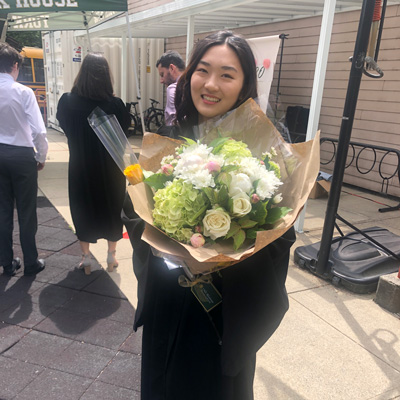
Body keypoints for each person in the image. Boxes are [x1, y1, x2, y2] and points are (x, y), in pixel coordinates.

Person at [122, 31, 296, 400]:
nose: (211, 84)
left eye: (227, 74)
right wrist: (157, 243)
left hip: (223, 308)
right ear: (189, 76)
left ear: (246, 82)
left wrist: (220, 262)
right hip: (169, 294)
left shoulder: (266, 147)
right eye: (202, 71)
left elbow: (282, 235)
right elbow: (135, 210)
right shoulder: (173, 135)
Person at [56, 53, 131, 275]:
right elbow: (123, 135)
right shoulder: (116, 104)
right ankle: (111, 255)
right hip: (111, 168)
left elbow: (65, 127)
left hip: (81, 167)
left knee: (82, 207)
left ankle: (86, 258)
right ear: (106, 76)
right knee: (112, 207)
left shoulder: (67, 101)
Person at [0, 42, 48, 277]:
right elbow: (39, 131)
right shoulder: (23, 92)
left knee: (2, 210)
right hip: (21, 155)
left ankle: (7, 263)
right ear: (15, 66)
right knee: (27, 211)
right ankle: (31, 261)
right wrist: (41, 156)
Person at [156, 50, 185, 131]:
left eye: (162, 75)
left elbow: (175, 123)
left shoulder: (173, 89)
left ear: (172, 68)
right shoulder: (193, 83)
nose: (161, 80)